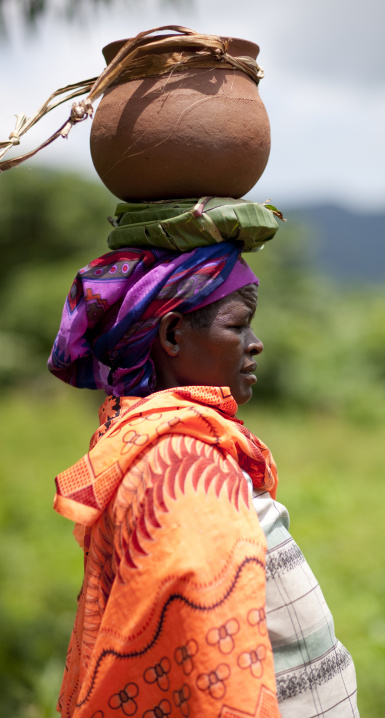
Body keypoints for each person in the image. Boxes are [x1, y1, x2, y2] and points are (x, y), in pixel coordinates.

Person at [49, 239, 359, 718]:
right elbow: (221, 678)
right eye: (238, 324)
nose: (256, 342)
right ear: (173, 335)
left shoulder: (176, 446)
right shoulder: (186, 473)